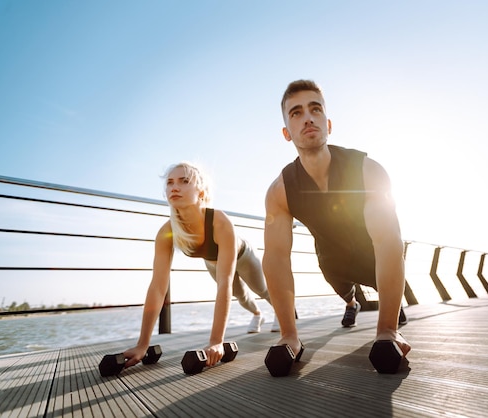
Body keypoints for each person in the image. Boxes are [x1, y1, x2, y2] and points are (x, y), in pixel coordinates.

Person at [262, 79, 411, 371]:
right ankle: (351, 303)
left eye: (315, 109)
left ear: (328, 124)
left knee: (388, 284)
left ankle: (391, 307)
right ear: (286, 133)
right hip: (332, 262)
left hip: (373, 255)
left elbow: (388, 239)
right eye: (296, 113)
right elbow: (277, 257)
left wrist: (386, 331)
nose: (307, 117)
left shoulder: (368, 170)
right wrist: (288, 336)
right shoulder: (280, 191)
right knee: (343, 288)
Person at [123, 162, 276, 368]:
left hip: (242, 256)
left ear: (201, 192)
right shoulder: (166, 233)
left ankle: (283, 313)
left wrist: (216, 342)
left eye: (184, 181)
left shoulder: (219, 221)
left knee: (262, 289)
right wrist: (142, 345)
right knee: (241, 296)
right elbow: (158, 288)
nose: (174, 187)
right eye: (170, 183)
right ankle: (258, 315)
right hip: (213, 262)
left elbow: (225, 283)